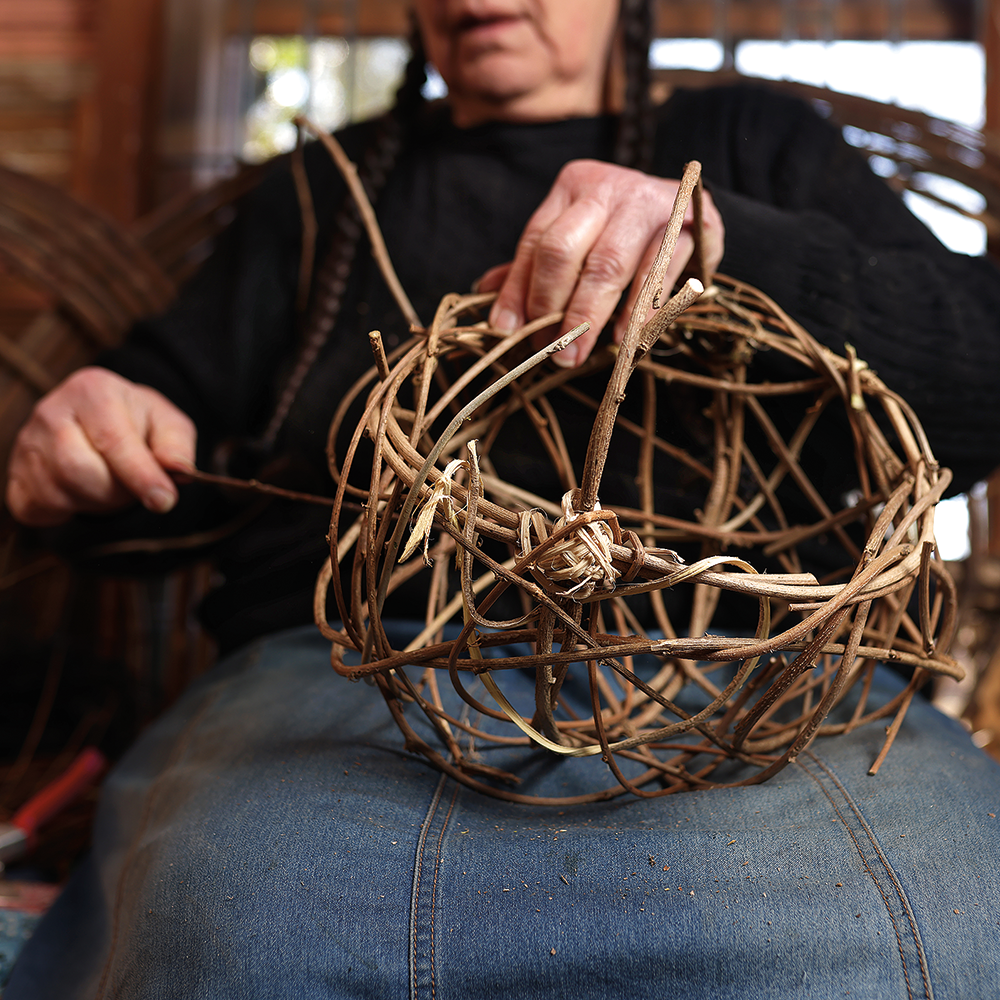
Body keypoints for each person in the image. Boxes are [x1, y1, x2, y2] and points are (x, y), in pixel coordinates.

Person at [6, 1, 1000, 996]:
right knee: (233, 943)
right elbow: (151, 457)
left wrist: (727, 240)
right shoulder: (325, 199)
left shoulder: (748, 142)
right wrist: (91, 440)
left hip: (760, 683)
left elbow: (974, 387)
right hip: (352, 674)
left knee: (926, 935)